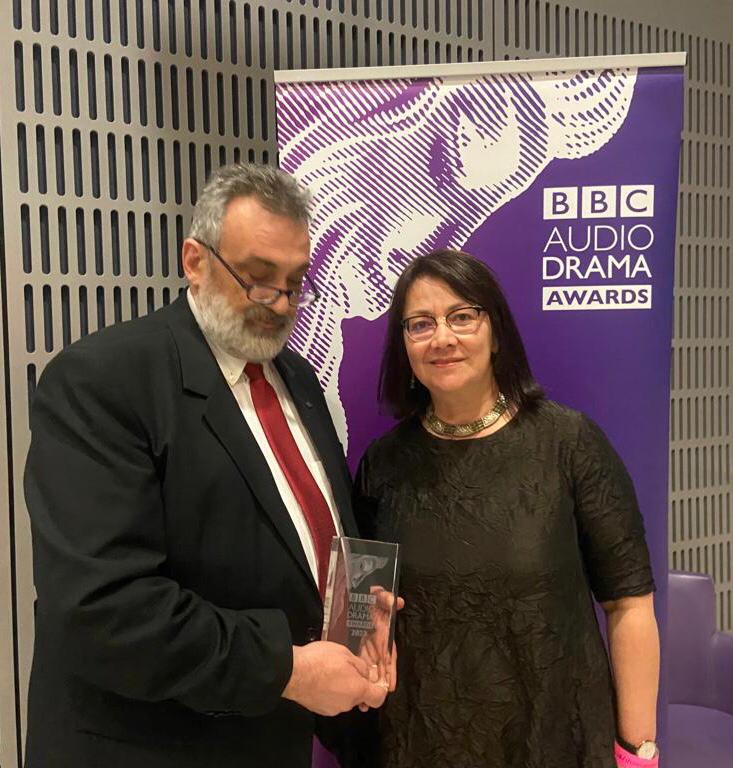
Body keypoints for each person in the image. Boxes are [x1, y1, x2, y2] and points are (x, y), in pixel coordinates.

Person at [23, 162, 387, 768]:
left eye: (296, 282)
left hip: (272, 741)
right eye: (258, 279)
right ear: (195, 261)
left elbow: (316, 533)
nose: (281, 304)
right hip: (153, 746)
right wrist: (289, 670)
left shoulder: (296, 378)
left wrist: (362, 620)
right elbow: (104, 607)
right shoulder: (103, 380)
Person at [353, 249, 661, 768]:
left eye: (462, 316)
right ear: (403, 344)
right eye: (420, 324)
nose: (442, 338)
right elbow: (363, 612)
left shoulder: (568, 443)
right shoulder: (383, 464)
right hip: (420, 744)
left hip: (553, 743)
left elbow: (628, 605)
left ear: (496, 333)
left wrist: (637, 752)